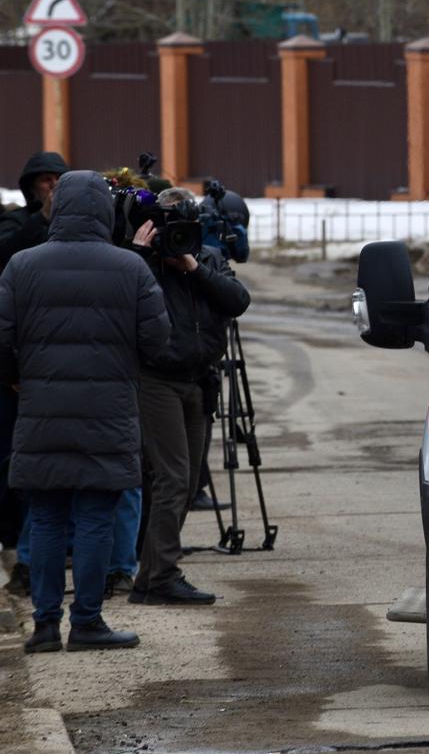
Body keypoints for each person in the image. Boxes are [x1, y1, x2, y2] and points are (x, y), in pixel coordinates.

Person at [1, 171, 169, 654]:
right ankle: (88, 622)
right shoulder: (130, 268)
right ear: (104, 211)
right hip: (108, 412)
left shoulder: (21, 265)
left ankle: (46, 625)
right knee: (96, 516)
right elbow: (157, 341)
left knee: (49, 517)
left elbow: (1, 338)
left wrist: (18, 378)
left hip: (41, 410)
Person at [129, 189, 251, 606]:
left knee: (183, 479)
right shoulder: (139, 266)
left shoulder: (209, 258)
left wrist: (194, 266)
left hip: (200, 380)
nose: (173, 235)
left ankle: (150, 578)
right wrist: (143, 256)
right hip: (157, 380)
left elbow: (238, 301)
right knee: (173, 478)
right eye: (166, 226)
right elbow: (125, 306)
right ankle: (161, 575)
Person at [0, 151, 67, 580]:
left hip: (61, 367)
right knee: (20, 464)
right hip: (19, 372)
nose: (51, 187)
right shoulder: (17, 226)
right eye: (44, 181)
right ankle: (20, 549)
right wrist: (41, 219)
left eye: (57, 180)